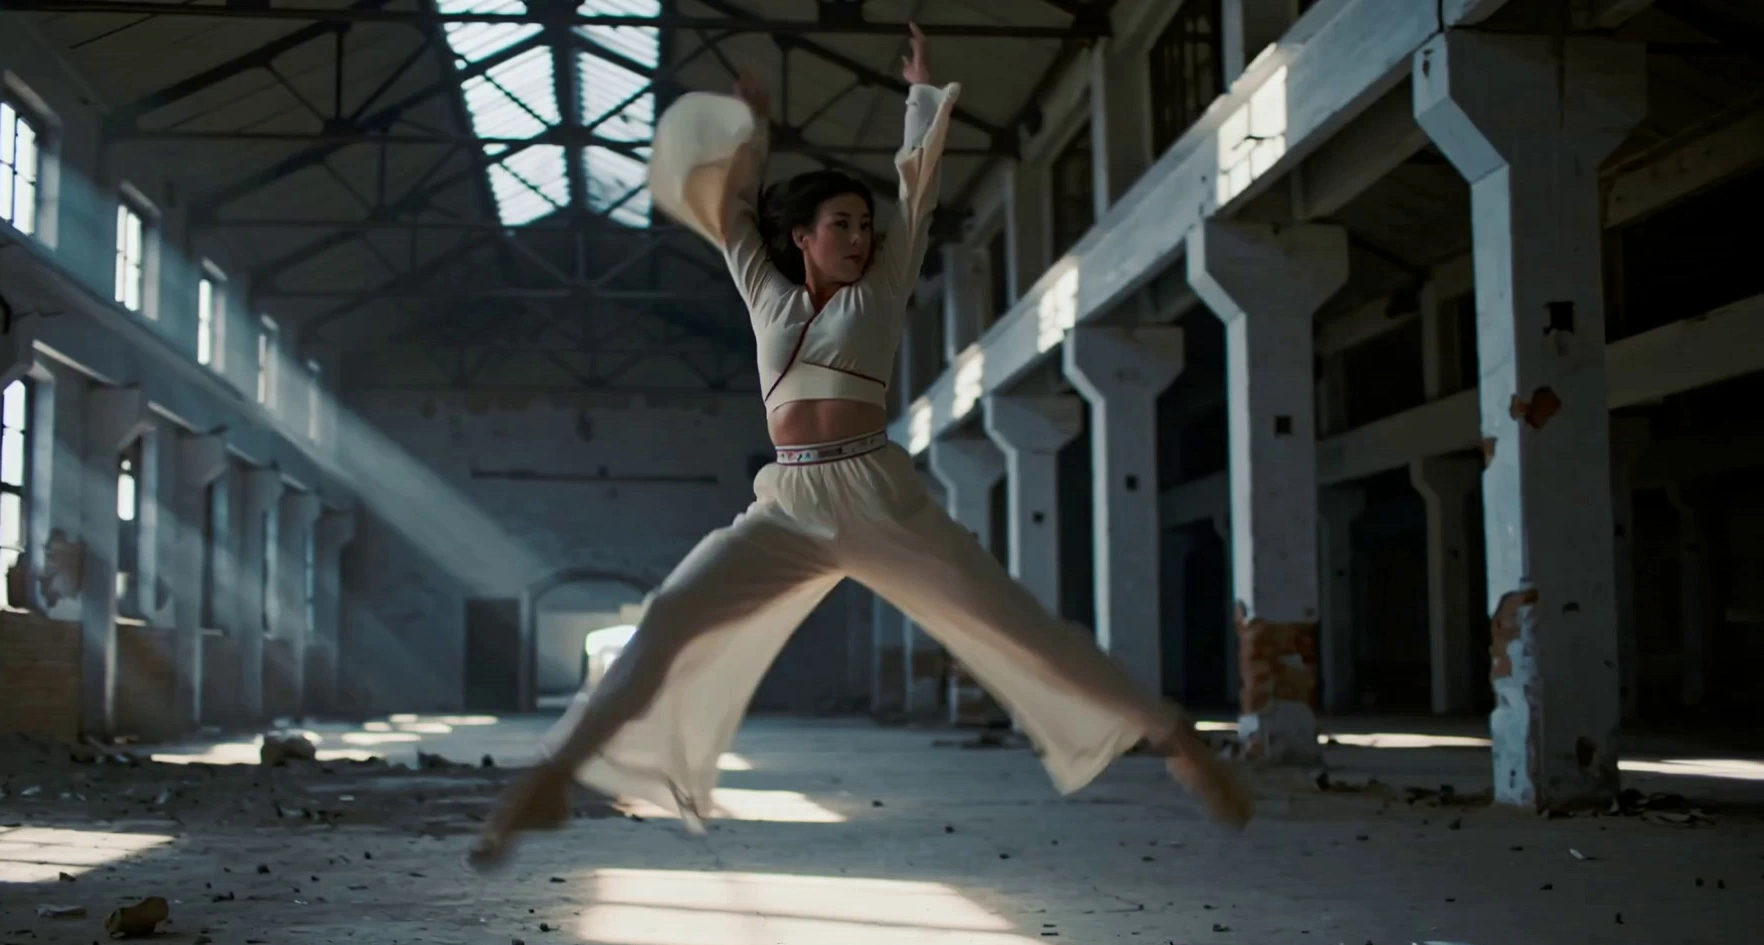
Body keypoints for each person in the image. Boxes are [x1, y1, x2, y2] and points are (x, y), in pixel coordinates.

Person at [470, 25, 1252, 866]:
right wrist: (755, 130)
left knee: (1017, 626)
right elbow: (734, 211)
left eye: (864, 227)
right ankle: (551, 778)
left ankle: (1176, 740)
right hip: (788, 507)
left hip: (879, 498)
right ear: (802, 236)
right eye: (841, 224)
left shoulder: (883, 281)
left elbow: (917, 187)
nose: (859, 237)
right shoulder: (765, 293)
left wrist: (919, 98)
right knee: (667, 618)